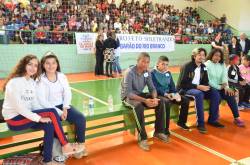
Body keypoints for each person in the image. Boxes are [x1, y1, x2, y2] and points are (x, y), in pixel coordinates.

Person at [2, 55, 82, 164]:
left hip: (27, 116)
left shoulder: (31, 82)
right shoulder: (14, 82)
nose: (33, 67)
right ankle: (65, 145)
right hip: (14, 120)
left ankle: (47, 160)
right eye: (30, 64)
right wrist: (39, 118)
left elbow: (34, 104)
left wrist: (44, 116)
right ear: (23, 65)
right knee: (51, 112)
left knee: (49, 124)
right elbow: (19, 108)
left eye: (35, 65)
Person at [36, 52, 88, 159]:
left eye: (53, 63)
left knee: (80, 118)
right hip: (49, 109)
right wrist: (59, 112)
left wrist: (65, 107)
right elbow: (43, 101)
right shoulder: (40, 80)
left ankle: (80, 145)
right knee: (55, 125)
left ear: (57, 64)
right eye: (48, 63)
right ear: (43, 65)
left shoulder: (61, 76)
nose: (51, 66)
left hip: (63, 106)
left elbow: (67, 92)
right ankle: (60, 149)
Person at [121, 52, 169, 151]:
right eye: (143, 62)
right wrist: (145, 100)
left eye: (147, 62)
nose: (145, 64)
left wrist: (154, 98)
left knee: (161, 102)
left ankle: (159, 132)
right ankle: (142, 138)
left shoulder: (147, 72)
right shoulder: (129, 72)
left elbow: (152, 88)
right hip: (127, 97)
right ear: (137, 61)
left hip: (139, 94)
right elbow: (128, 93)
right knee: (139, 106)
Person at [177, 48, 223, 134]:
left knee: (215, 93)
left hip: (198, 88)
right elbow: (182, 84)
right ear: (194, 56)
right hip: (186, 89)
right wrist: (198, 86)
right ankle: (200, 124)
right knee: (199, 94)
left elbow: (205, 81)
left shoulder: (203, 67)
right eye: (199, 55)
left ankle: (212, 120)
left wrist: (206, 87)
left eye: (203, 55)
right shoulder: (187, 66)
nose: (201, 57)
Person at [205, 49, 245, 127]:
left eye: (219, 56)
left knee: (231, 93)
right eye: (216, 55)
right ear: (211, 55)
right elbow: (208, 80)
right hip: (211, 87)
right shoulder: (206, 64)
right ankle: (212, 120)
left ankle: (237, 117)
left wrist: (226, 87)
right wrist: (219, 87)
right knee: (217, 96)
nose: (217, 57)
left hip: (222, 86)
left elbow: (224, 77)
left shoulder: (222, 64)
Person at [151, 56, 190, 131]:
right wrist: (166, 94)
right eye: (163, 64)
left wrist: (176, 94)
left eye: (167, 64)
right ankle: (165, 128)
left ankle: (181, 122)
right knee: (166, 102)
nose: (165, 66)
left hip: (169, 94)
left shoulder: (168, 73)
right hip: (158, 94)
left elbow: (172, 85)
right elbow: (155, 88)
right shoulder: (152, 73)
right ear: (158, 64)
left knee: (185, 100)